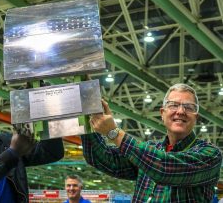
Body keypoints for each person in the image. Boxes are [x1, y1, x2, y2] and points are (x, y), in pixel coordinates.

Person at [82, 83, 222, 202]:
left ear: (195, 117)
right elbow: (102, 158)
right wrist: (87, 111)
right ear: (162, 113)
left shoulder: (210, 154)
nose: (180, 111)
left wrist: (114, 133)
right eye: (173, 105)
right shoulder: (149, 150)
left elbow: (164, 168)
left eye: (189, 107)